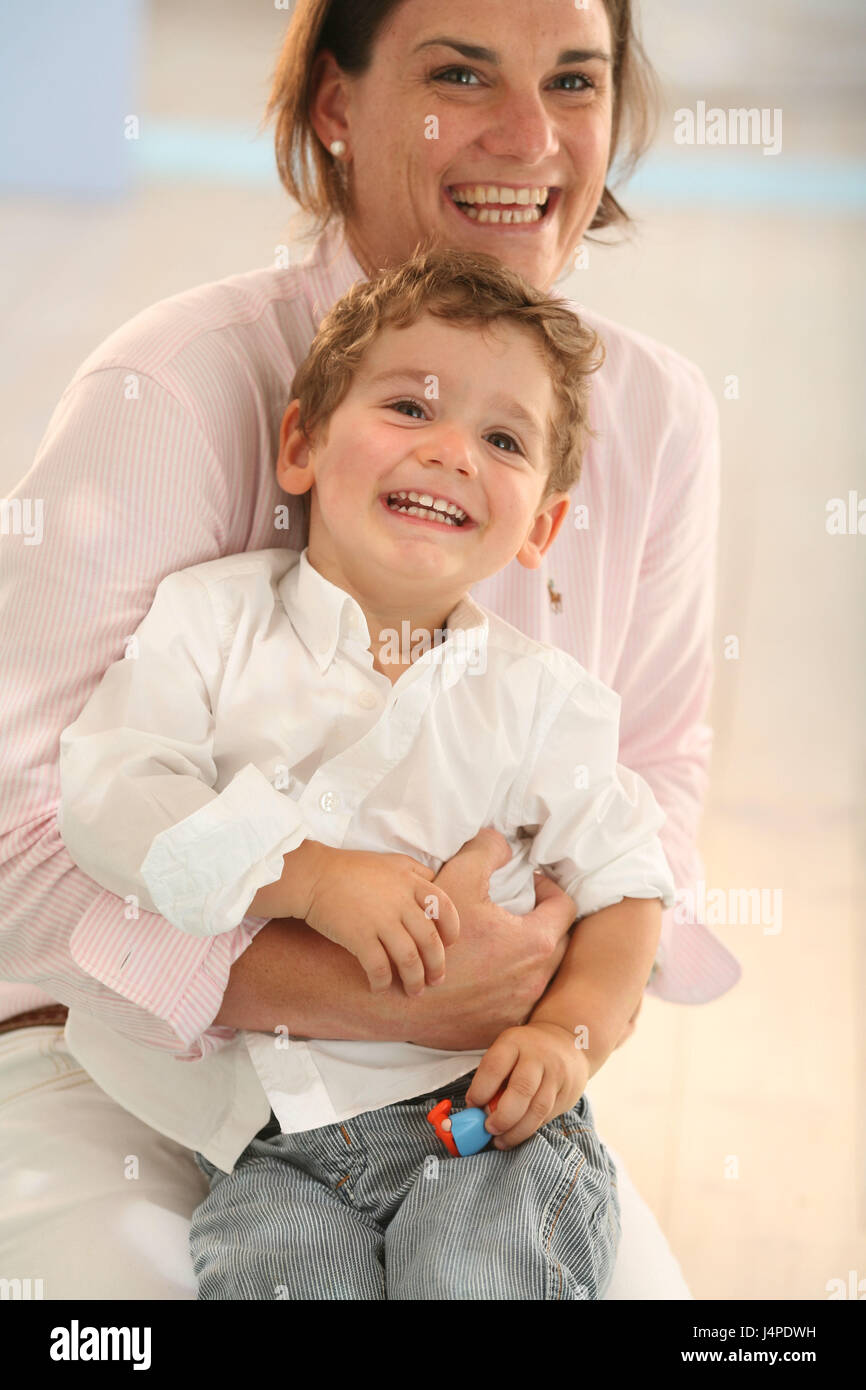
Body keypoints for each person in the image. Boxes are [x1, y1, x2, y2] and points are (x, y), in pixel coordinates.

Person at [0, 0, 738, 1299]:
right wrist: (374, 971)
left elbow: (654, 778)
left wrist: (552, 1007)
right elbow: (23, 843)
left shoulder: (658, 415)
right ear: (335, 106)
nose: (529, 135)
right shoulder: (175, 386)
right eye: (460, 73)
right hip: (127, 1067)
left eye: (573, 80)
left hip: (461, 1093)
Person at [56, 249, 677, 1299]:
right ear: (300, 442)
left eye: (500, 439)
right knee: (267, 1280)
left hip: (486, 1127)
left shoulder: (540, 700)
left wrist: (565, 1037)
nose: (449, 453)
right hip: (274, 1145)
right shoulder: (211, 625)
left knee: (477, 1280)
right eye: (408, 407)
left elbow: (628, 888)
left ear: (541, 525)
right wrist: (304, 872)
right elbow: (110, 795)